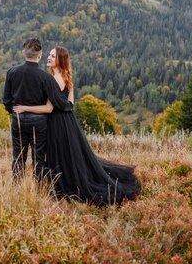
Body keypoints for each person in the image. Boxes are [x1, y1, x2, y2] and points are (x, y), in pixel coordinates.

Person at [14, 46, 141, 206]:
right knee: (70, 156)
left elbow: (48, 108)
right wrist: (62, 108)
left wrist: (25, 108)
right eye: (49, 55)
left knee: (61, 155)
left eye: (53, 56)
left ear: (60, 60)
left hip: (57, 123)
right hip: (68, 121)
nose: (49, 57)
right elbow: (71, 103)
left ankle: (61, 186)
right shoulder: (65, 76)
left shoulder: (54, 79)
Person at [3, 38, 73, 182]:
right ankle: (39, 188)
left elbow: (6, 100)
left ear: (24, 53)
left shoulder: (12, 72)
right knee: (38, 157)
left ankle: (17, 186)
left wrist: (15, 111)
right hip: (39, 122)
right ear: (39, 55)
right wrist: (68, 105)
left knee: (18, 155)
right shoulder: (46, 78)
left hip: (19, 120)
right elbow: (56, 101)